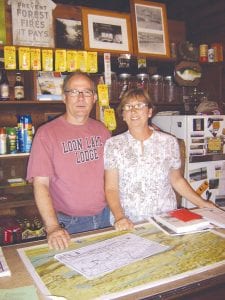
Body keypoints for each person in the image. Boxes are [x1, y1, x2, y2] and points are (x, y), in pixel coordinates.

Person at [104, 88, 216, 231]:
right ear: (123, 115)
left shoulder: (168, 142)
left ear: (150, 112)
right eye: (128, 107)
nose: (133, 111)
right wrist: (120, 217)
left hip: (166, 219)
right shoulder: (113, 145)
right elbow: (111, 188)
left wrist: (202, 203)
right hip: (128, 222)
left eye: (139, 106)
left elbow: (176, 180)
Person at [27, 72, 111, 250]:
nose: (81, 97)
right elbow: (41, 184)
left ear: (94, 98)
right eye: (74, 92)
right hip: (68, 225)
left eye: (87, 92)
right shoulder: (46, 134)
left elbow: (112, 176)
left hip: (105, 216)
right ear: (64, 97)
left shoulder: (102, 130)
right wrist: (52, 227)